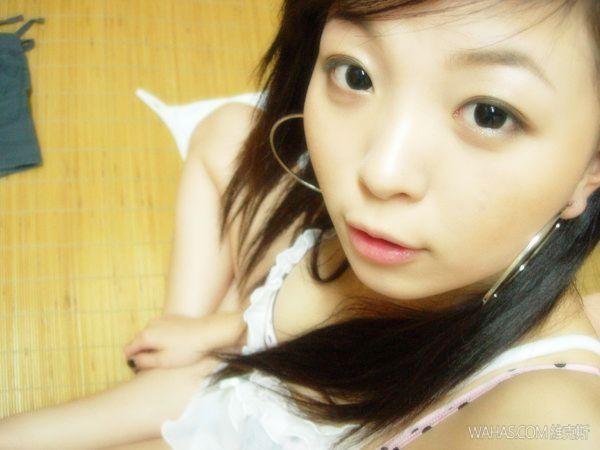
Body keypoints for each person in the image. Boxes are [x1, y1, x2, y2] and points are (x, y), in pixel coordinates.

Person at [1, 0, 600, 448]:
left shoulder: (543, 418)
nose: (380, 172)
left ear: (591, 169)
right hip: (241, 376)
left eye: (490, 113)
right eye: (356, 74)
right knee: (230, 131)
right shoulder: (407, 235)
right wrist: (218, 329)